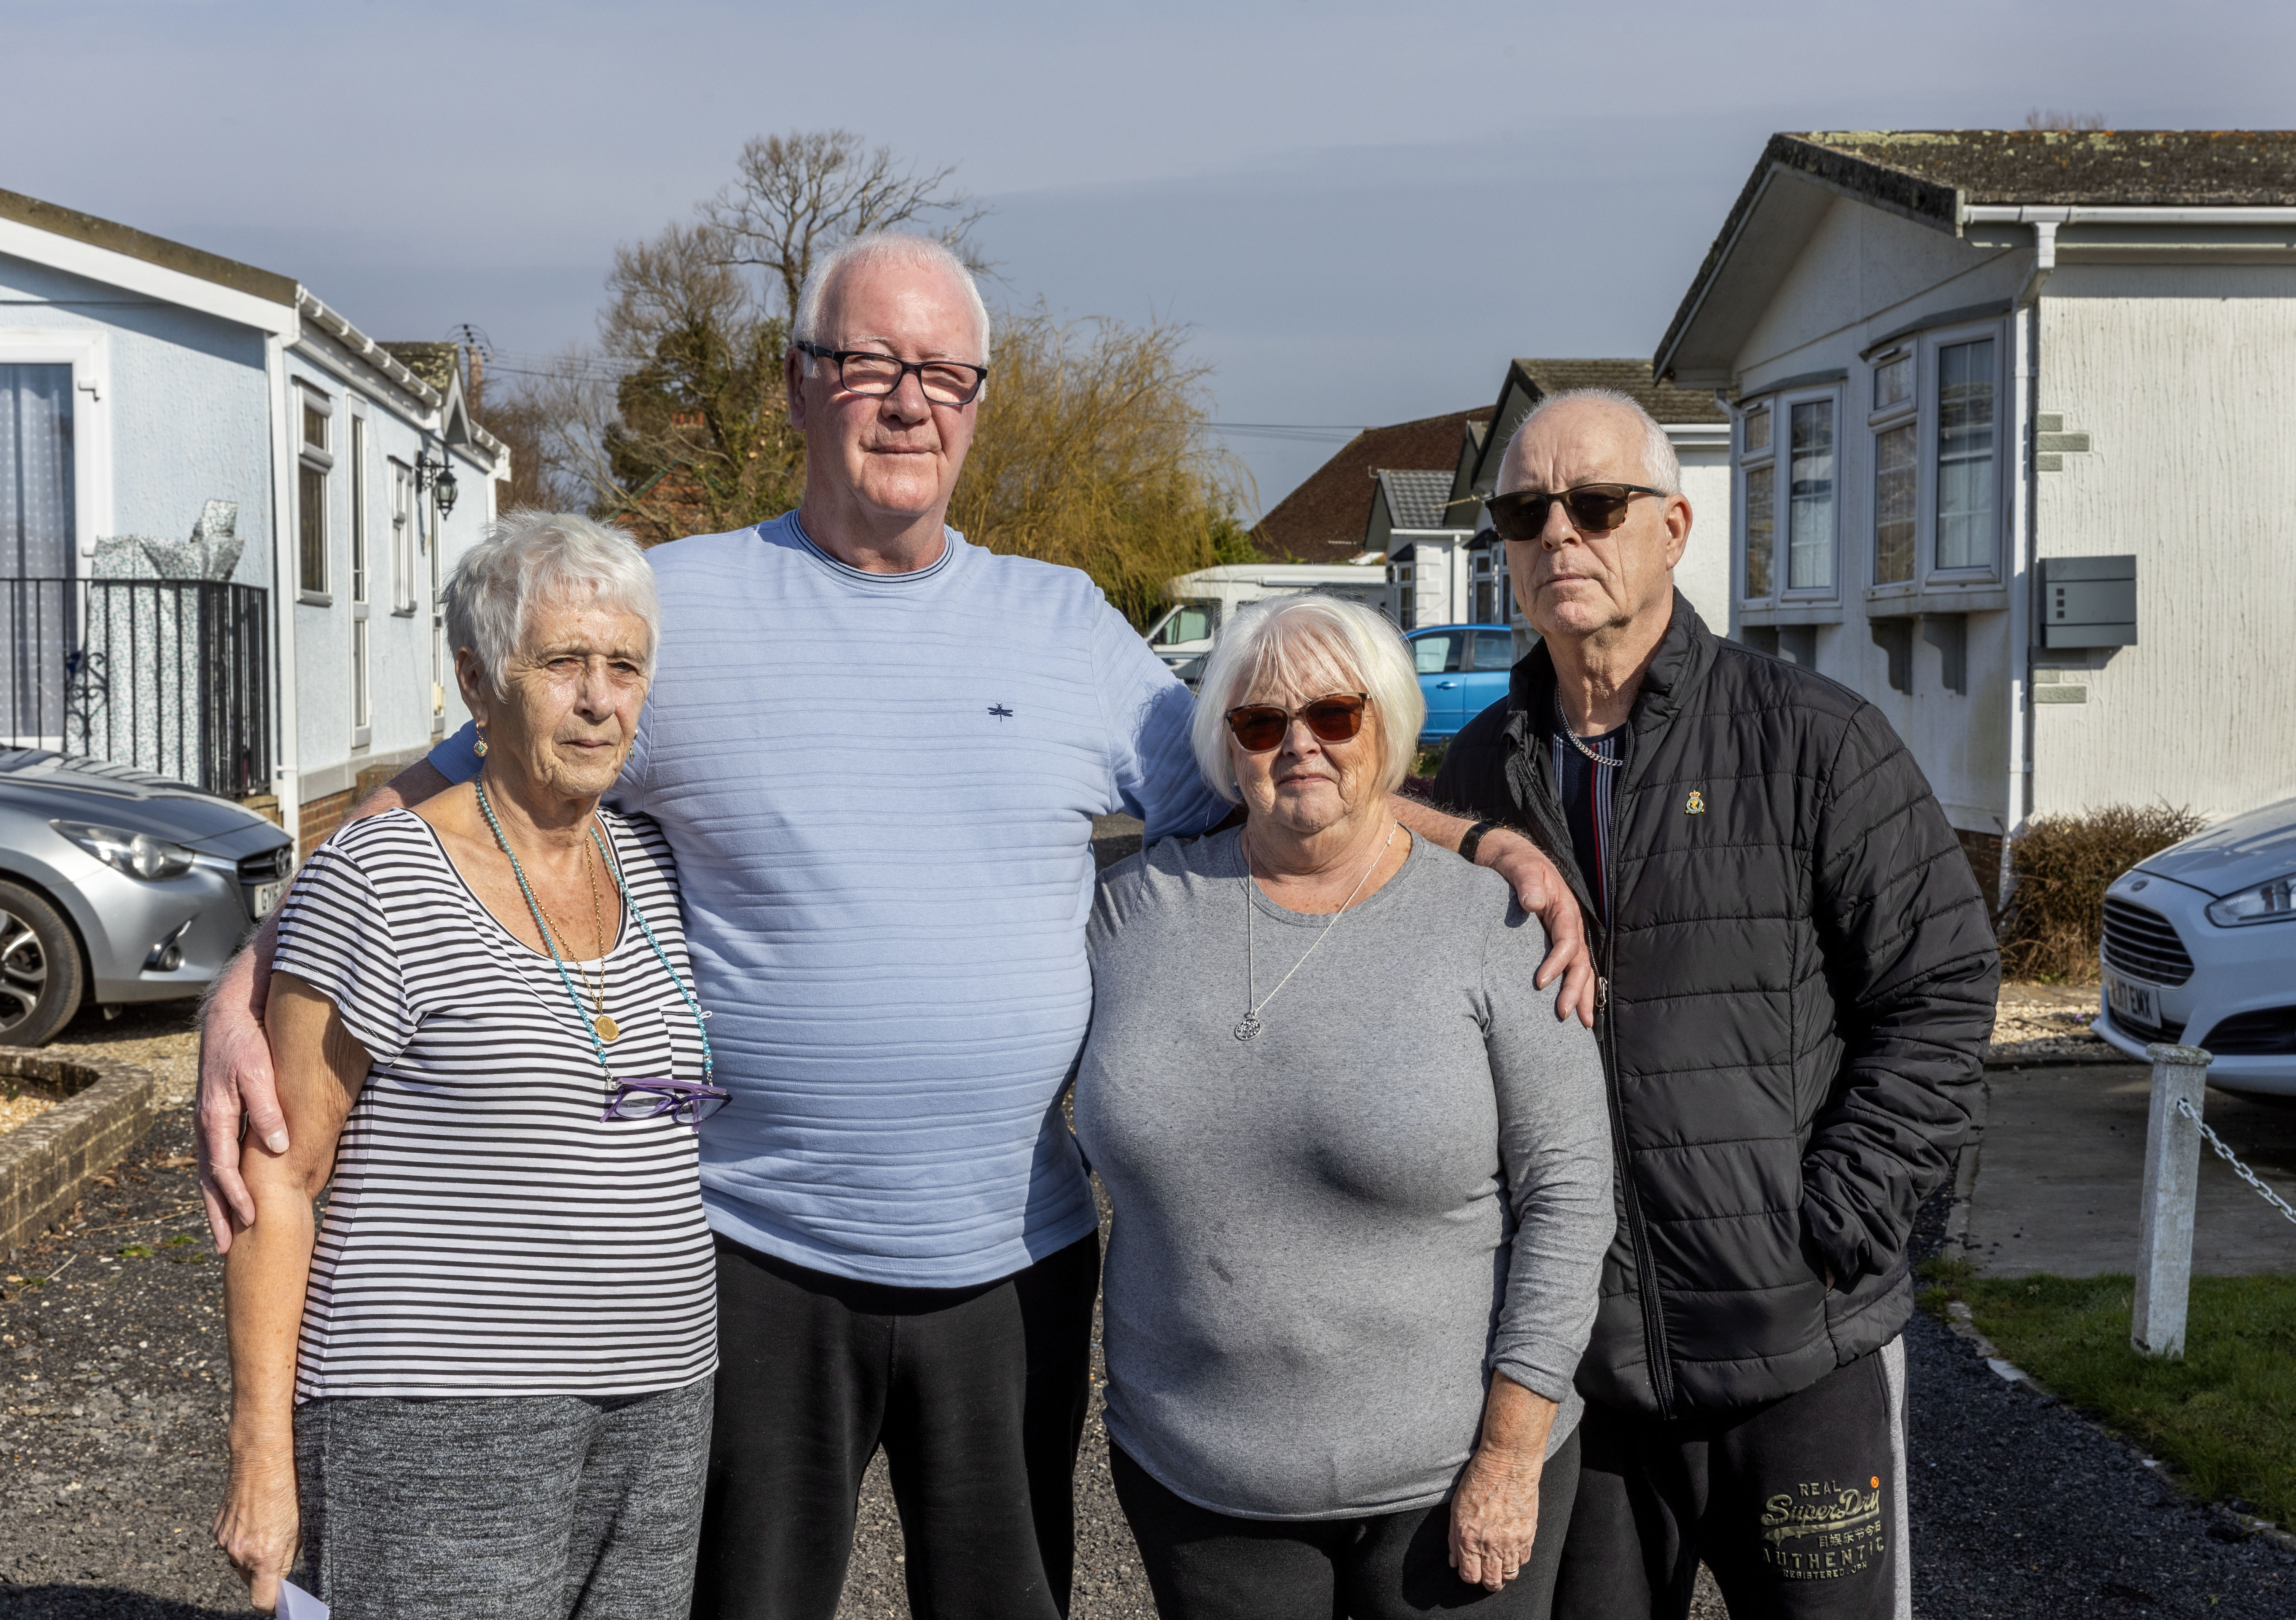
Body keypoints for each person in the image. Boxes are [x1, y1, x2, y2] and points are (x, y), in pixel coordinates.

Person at [196, 234, 1599, 1620]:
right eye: (869, 363)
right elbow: (450, 789)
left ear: (979, 404)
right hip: (751, 1253)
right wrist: (257, 967)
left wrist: (1475, 838)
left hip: (1012, 1265)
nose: (908, 399)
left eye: (943, 371)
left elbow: (1292, 778)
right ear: (801, 384)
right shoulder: (666, 613)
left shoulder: (1066, 632)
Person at [1431, 389, 2000, 1620]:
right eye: (1526, 512)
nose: (1558, 538)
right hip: (1582, 1375)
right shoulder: (1476, 776)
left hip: (1797, 1356)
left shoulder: (1812, 742)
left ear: (1675, 526)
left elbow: (1941, 988)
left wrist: (1831, 1221)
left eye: (1594, 504)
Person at [212, 514, 720, 1617]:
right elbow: (279, 1179)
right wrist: (261, 1453)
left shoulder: (654, 864)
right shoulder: (381, 878)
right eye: (562, 664)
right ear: (478, 684)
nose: (600, 699)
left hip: (663, 1398)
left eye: (624, 666)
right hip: (440, 1415)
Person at [1074, 595, 1613, 1620]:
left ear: (1391, 727)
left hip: (1450, 1477)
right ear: (1225, 748)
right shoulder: (1129, 913)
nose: (1299, 744)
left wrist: (1509, 1452)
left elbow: (1572, 1193)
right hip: (1199, 1481)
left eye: (1334, 714)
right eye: (1260, 722)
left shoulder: (1494, 921)